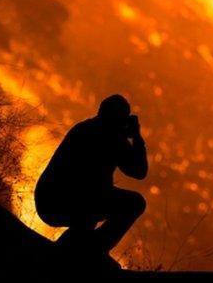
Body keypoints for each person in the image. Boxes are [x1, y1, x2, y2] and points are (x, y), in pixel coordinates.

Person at [35, 94, 148, 270]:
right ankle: (94, 251)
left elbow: (138, 172)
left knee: (92, 212)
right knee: (134, 203)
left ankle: (80, 250)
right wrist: (136, 137)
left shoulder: (85, 128)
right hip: (63, 200)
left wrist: (132, 138)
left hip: (50, 202)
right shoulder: (111, 136)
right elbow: (139, 171)